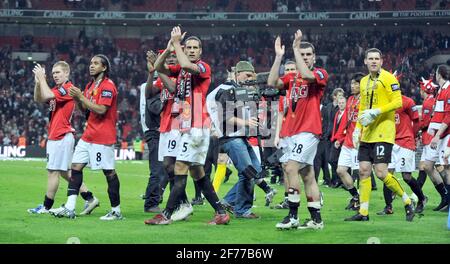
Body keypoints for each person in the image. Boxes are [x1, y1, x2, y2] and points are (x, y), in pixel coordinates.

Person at [145, 26, 229, 225]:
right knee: (197, 172)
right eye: (188, 47)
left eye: (194, 48)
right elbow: (157, 67)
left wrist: (177, 45)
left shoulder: (203, 68)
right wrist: (168, 49)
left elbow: (184, 63)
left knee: (179, 167)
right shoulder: (181, 71)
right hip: (186, 126)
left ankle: (166, 214)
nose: (191, 50)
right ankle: (221, 212)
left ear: (200, 51)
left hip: (196, 125)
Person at [50, 54, 123, 220]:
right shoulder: (90, 85)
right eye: (91, 63)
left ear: (104, 67)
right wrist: (77, 99)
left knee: (109, 172)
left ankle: (116, 210)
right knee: (75, 168)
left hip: (103, 137)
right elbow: (87, 111)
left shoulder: (107, 86)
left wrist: (81, 97)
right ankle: (69, 207)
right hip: (88, 135)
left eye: (96, 63)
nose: (92, 65)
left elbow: (101, 110)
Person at [346, 48, 415, 222]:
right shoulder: (363, 82)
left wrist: (377, 111)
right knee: (363, 171)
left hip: (384, 132)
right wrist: (357, 128)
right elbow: (362, 107)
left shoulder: (389, 78)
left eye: (377, 58)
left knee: (382, 173)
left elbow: (398, 101)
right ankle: (363, 212)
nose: (374, 61)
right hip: (367, 134)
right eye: (371, 59)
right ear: (365, 61)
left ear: (382, 61)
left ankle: (407, 201)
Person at [268, 30, 327, 230]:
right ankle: (316, 220)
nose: (305, 57)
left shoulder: (320, 74)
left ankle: (292, 216)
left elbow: (309, 75)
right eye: (302, 55)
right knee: (308, 175)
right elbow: (272, 83)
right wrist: (278, 58)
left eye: (308, 54)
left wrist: (295, 49)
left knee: (291, 167)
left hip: (308, 131)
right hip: (291, 132)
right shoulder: (292, 78)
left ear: (314, 57)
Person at [28, 61, 99, 215]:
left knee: (53, 171)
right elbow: (39, 98)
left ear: (67, 73)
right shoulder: (57, 90)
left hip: (61, 135)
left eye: (58, 72)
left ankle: (46, 207)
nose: (55, 75)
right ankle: (90, 198)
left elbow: (47, 95)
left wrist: (42, 79)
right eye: (53, 73)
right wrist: (38, 83)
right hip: (57, 135)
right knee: (65, 173)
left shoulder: (68, 88)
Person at [207, 60, 262, 219]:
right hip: (231, 137)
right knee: (248, 172)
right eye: (247, 75)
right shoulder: (228, 90)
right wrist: (246, 122)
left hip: (238, 137)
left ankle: (229, 201)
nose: (250, 79)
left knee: (256, 170)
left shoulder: (237, 90)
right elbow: (225, 116)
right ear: (237, 74)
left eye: (252, 76)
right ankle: (242, 210)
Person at [143, 48, 193, 220]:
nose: (171, 60)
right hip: (165, 125)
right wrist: (152, 73)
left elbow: (173, 89)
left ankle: (182, 204)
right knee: (168, 167)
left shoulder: (182, 75)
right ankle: (182, 203)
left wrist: (158, 68)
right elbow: (148, 93)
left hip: (179, 125)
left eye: (173, 56)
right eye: (168, 57)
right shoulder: (161, 78)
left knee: (177, 167)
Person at [378, 95, 427, 215]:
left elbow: (416, 120)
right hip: (390, 141)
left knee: (406, 176)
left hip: (405, 142)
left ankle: (422, 199)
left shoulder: (407, 101)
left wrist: (413, 135)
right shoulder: (383, 102)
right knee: (386, 174)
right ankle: (388, 206)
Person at [418, 77, 448, 211]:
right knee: (428, 167)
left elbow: (426, 121)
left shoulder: (428, 102)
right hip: (431, 137)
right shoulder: (433, 100)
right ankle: (445, 197)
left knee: (440, 166)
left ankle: (445, 197)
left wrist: (418, 127)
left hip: (433, 138)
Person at [335, 73, 365, 211]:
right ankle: (355, 196)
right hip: (348, 142)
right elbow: (346, 122)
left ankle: (362, 202)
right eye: (352, 83)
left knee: (359, 173)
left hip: (359, 143)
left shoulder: (366, 100)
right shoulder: (350, 100)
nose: (353, 86)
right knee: (340, 170)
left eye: (356, 83)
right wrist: (339, 138)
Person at [431, 65, 450, 213]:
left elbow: (448, 116)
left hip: (446, 135)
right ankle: (448, 201)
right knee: (443, 167)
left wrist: (437, 135)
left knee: (447, 168)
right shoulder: (441, 90)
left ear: (439, 74)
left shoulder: (448, 90)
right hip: (442, 135)